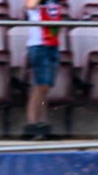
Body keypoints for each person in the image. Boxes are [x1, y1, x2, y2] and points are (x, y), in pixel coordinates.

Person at [22, 0, 66, 140]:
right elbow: (29, 5)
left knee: (45, 86)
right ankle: (32, 123)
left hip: (52, 43)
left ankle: (41, 123)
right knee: (41, 85)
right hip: (39, 44)